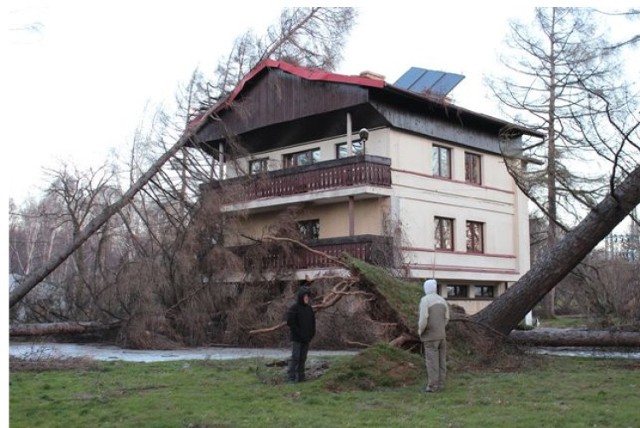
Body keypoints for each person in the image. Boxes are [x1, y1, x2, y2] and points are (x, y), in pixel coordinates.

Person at [418, 278, 450, 393]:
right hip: (442, 335)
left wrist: (420, 331)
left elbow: (423, 319)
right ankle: (441, 384)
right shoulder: (442, 300)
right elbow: (447, 318)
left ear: (426, 288)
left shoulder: (425, 300)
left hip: (430, 336)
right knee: (442, 361)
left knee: (432, 362)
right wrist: (441, 328)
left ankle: (432, 386)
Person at [286, 285, 316, 383]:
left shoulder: (309, 309)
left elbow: (313, 323)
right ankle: (291, 377)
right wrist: (300, 335)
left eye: (308, 296)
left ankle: (301, 377)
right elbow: (291, 323)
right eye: (305, 296)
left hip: (306, 339)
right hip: (297, 339)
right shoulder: (294, 308)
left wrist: (311, 334)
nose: (307, 298)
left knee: (303, 358)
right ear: (301, 296)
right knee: (295, 358)